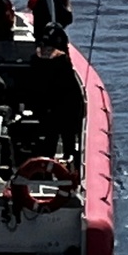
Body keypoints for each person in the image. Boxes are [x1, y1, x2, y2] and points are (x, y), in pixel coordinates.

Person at [27, 24, 81, 159]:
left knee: (49, 139)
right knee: (67, 135)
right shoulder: (62, 59)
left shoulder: (35, 58)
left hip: (43, 104)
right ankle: (69, 159)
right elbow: (70, 84)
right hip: (62, 104)